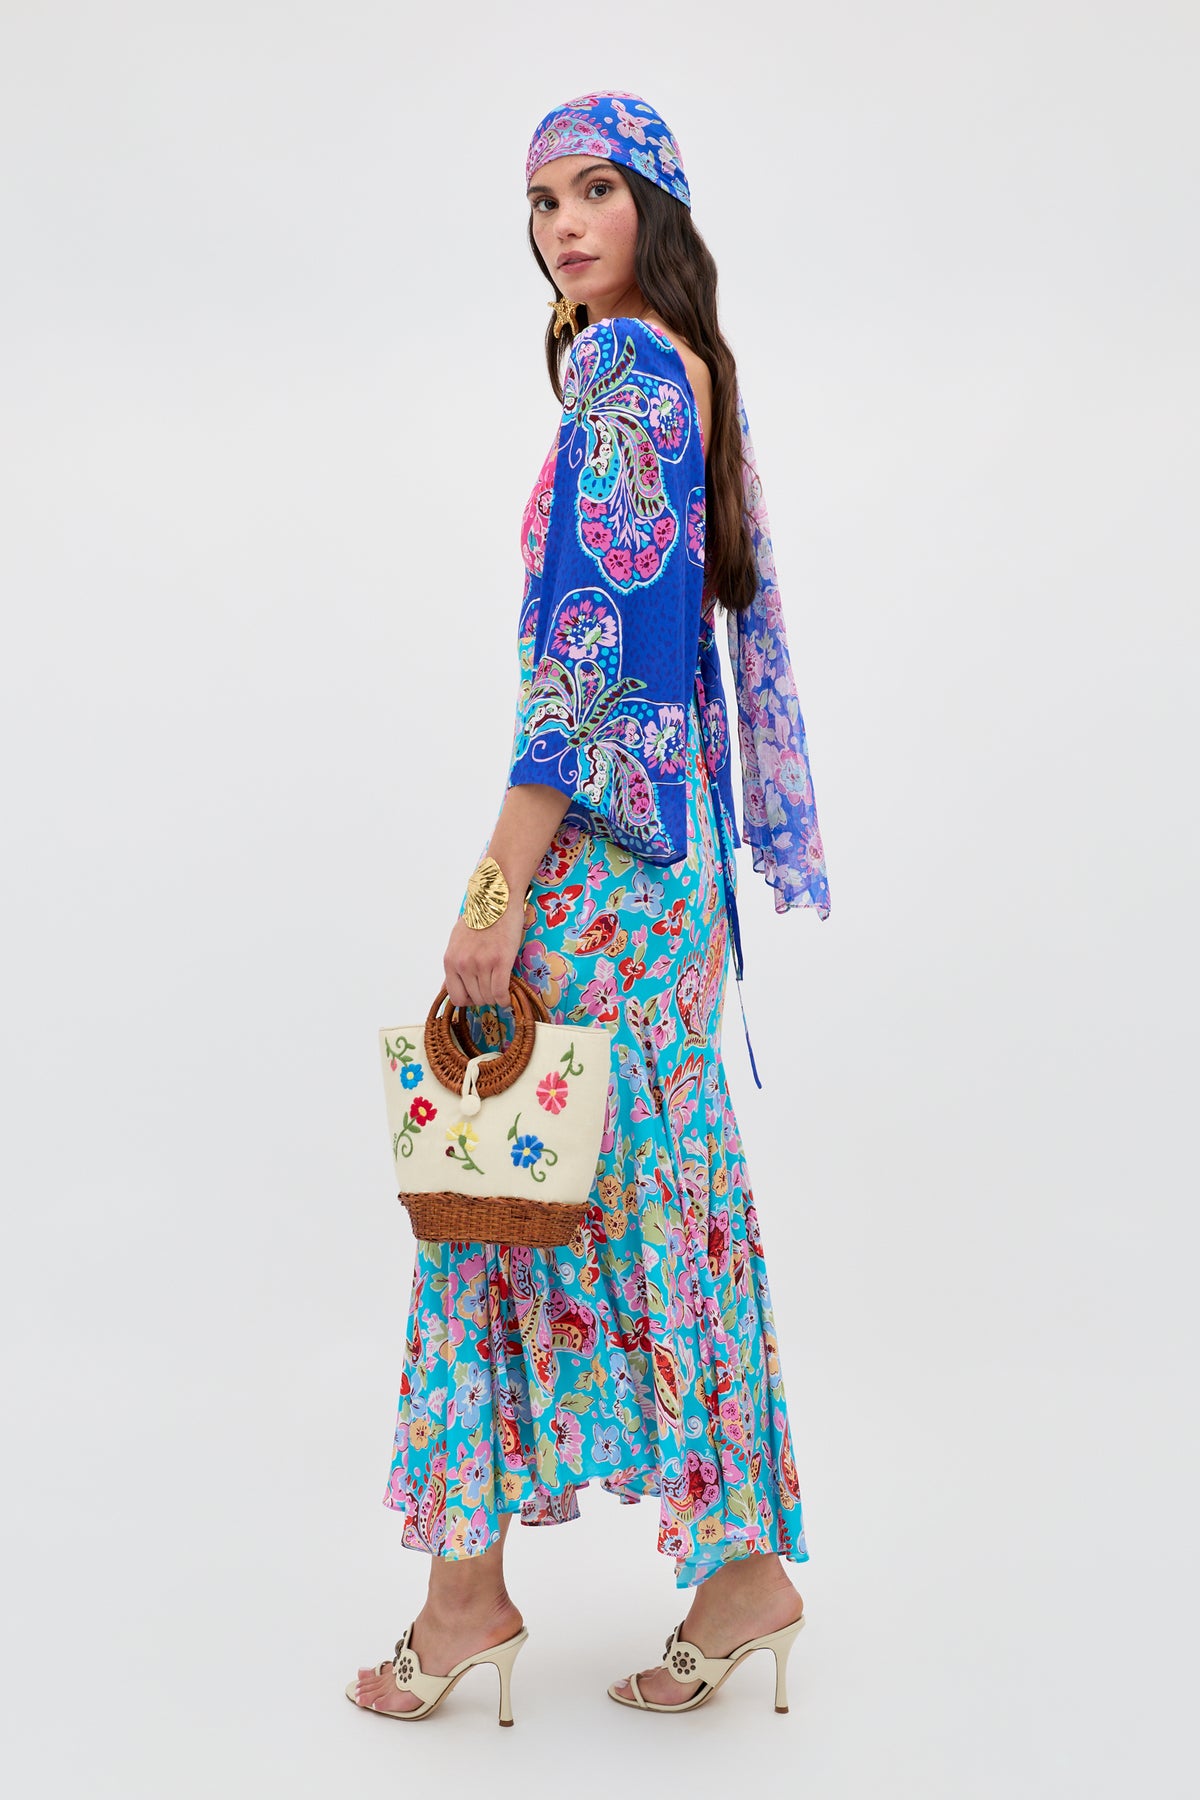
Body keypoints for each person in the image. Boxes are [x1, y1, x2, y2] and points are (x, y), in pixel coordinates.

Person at [347, 90, 831, 1722]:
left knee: (496, 1178)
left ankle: (468, 1602)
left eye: (597, 190)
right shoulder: (697, 374)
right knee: (651, 1189)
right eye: (542, 198)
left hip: (603, 865)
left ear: (659, 210)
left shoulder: (628, 372)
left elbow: (591, 665)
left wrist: (497, 882)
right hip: (668, 861)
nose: (563, 223)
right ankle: (741, 1568)